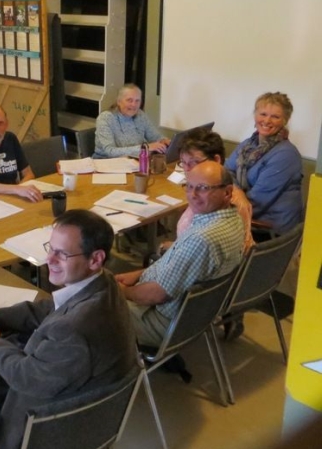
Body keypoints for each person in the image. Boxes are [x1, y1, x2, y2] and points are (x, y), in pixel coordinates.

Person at [0, 210, 137, 449]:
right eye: (50, 248)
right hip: (86, 400)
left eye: (62, 254)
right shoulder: (104, 283)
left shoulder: (73, 330)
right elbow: (50, 308)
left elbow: (25, 377)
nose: (48, 259)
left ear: (95, 258)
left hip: (43, 434)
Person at [116, 161, 244, 346]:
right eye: (189, 186)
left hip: (164, 323)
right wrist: (139, 274)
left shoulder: (202, 239)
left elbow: (157, 294)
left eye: (203, 188)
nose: (193, 195)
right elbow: (179, 269)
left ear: (227, 192)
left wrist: (122, 292)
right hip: (197, 316)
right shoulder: (233, 218)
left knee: (88, 303)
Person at [161, 128, 254, 253]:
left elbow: (211, 250)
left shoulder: (226, 200)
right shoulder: (205, 192)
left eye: (194, 162)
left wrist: (174, 250)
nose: (187, 170)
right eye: (183, 162)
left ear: (216, 160)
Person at [224, 92, 304, 236]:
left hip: (269, 231)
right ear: (255, 115)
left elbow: (256, 203)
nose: (267, 121)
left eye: (275, 117)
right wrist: (238, 192)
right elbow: (226, 172)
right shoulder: (248, 145)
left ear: (285, 121)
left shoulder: (286, 155)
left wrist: (222, 207)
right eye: (263, 114)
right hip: (245, 217)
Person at [94, 83, 170, 158]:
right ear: (119, 101)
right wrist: (145, 148)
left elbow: (155, 137)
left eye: (137, 101)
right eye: (129, 100)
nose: (134, 105)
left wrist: (164, 140)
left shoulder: (140, 115)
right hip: (106, 161)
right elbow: (110, 151)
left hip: (134, 160)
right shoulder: (105, 118)